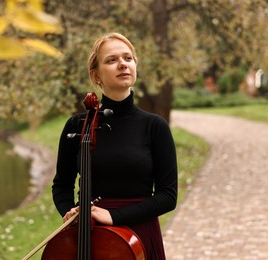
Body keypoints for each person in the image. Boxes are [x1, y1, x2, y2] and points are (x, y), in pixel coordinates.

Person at [52, 32, 177, 259]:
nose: (122, 64)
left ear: (135, 66)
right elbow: (61, 185)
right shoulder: (77, 125)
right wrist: (69, 212)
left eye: (128, 58)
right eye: (111, 60)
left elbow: (168, 196)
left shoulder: (154, 126)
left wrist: (114, 216)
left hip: (138, 234)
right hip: (88, 233)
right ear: (96, 74)